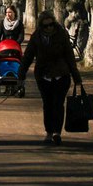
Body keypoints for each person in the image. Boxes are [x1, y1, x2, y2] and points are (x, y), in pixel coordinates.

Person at [18, 10, 83, 145]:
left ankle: (57, 133)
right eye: (46, 26)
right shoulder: (36, 37)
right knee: (47, 105)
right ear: (41, 26)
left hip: (61, 75)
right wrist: (21, 74)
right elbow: (28, 56)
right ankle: (48, 131)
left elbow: (70, 57)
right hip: (43, 76)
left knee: (58, 104)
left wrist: (76, 77)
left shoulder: (61, 34)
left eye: (51, 25)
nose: (49, 28)